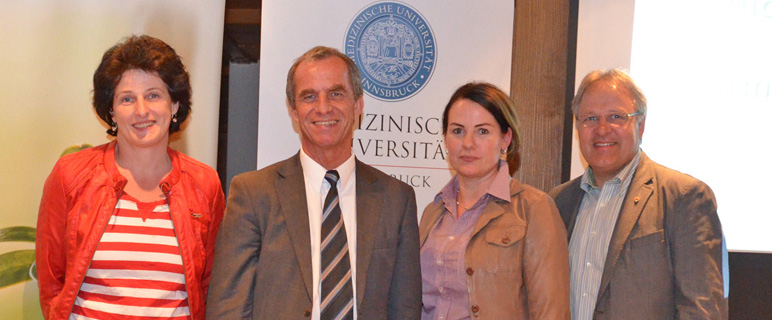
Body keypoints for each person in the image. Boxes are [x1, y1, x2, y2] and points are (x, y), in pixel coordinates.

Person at [206, 46, 421, 319]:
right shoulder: (253, 193)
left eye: (335, 94)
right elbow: (228, 307)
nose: (323, 107)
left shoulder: (396, 198)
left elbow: (405, 308)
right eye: (309, 96)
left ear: (358, 105)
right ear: (294, 111)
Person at [36, 35, 225, 320]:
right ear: (111, 111)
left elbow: (212, 286)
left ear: (174, 105)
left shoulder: (205, 184)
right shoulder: (70, 175)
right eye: (127, 98)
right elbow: (52, 283)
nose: (141, 110)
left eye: (153, 95)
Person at [549, 69, 726, 319]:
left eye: (616, 117)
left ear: (640, 125)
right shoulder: (558, 202)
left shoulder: (684, 197)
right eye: (590, 118)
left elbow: (701, 310)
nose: (602, 129)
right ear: (577, 127)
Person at [419, 82, 570, 319]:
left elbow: (551, 312)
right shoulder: (433, 211)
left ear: (505, 139)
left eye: (482, 131)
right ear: (445, 138)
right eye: (458, 130)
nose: (468, 143)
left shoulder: (534, 209)